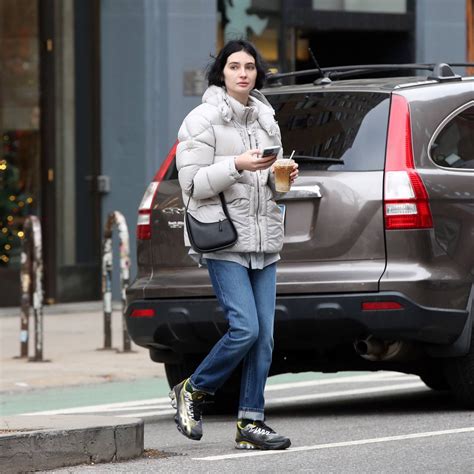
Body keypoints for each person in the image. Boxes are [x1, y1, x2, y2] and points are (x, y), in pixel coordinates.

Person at [171, 39, 298, 450]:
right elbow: (191, 186)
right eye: (234, 66)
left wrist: (282, 179)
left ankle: (251, 422)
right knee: (245, 328)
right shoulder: (201, 120)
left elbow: (267, 190)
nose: (243, 73)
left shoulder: (267, 118)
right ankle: (192, 389)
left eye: (249, 66)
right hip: (224, 238)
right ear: (221, 73)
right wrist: (236, 165)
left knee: (265, 338)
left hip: (263, 239)